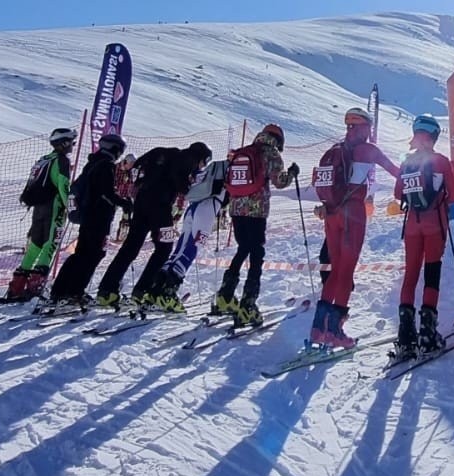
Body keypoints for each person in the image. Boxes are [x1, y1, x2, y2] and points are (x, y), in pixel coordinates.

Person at [309, 107, 400, 348]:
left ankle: (318, 329)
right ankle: (336, 331)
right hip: (353, 213)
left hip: (332, 213)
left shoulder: (335, 150)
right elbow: (396, 173)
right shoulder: (367, 150)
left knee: (335, 269)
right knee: (346, 271)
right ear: (365, 128)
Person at [95, 141, 212, 309]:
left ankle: (107, 289)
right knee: (165, 247)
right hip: (160, 206)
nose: (201, 167)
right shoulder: (188, 159)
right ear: (202, 157)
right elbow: (181, 184)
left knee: (130, 246)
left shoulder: (161, 151)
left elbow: (135, 167)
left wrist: (140, 184)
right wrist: (188, 188)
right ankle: (144, 290)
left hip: (141, 202)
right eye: (204, 163)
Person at [213, 124, 299, 323]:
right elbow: (280, 182)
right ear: (278, 140)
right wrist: (292, 173)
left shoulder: (244, 151)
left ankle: (225, 296)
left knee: (242, 249)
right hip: (256, 210)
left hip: (236, 209)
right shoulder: (271, 154)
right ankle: (248, 304)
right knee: (256, 253)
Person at [392, 114, 454, 358]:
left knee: (410, 274)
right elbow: (453, 195)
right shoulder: (440, 161)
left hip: (412, 225)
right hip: (435, 225)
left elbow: (398, 193)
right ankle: (428, 333)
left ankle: (405, 334)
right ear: (434, 136)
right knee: (431, 273)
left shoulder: (407, 161)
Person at [49, 134, 131, 306]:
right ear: (115, 149)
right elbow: (106, 192)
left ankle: (59, 290)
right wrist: (124, 203)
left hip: (87, 215)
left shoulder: (92, 163)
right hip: (98, 217)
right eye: (120, 151)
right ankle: (75, 291)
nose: (120, 155)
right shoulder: (106, 165)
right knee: (93, 255)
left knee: (81, 254)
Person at [148, 155, 233, 312]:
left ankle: (156, 288)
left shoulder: (211, 169)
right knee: (193, 247)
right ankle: (169, 292)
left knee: (179, 248)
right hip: (207, 209)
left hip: (192, 208)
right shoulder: (229, 171)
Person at [2, 126, 77, 302]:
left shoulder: (44, 159)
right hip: (55, 207)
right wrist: (71, 208)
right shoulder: (61, 160)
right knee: (50, 244)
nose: (73, 145)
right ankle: (35, 288)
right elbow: (63, 185)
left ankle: (16, 287)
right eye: (71, 142)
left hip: (38, 207)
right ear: (64, 143)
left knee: (35, 244)